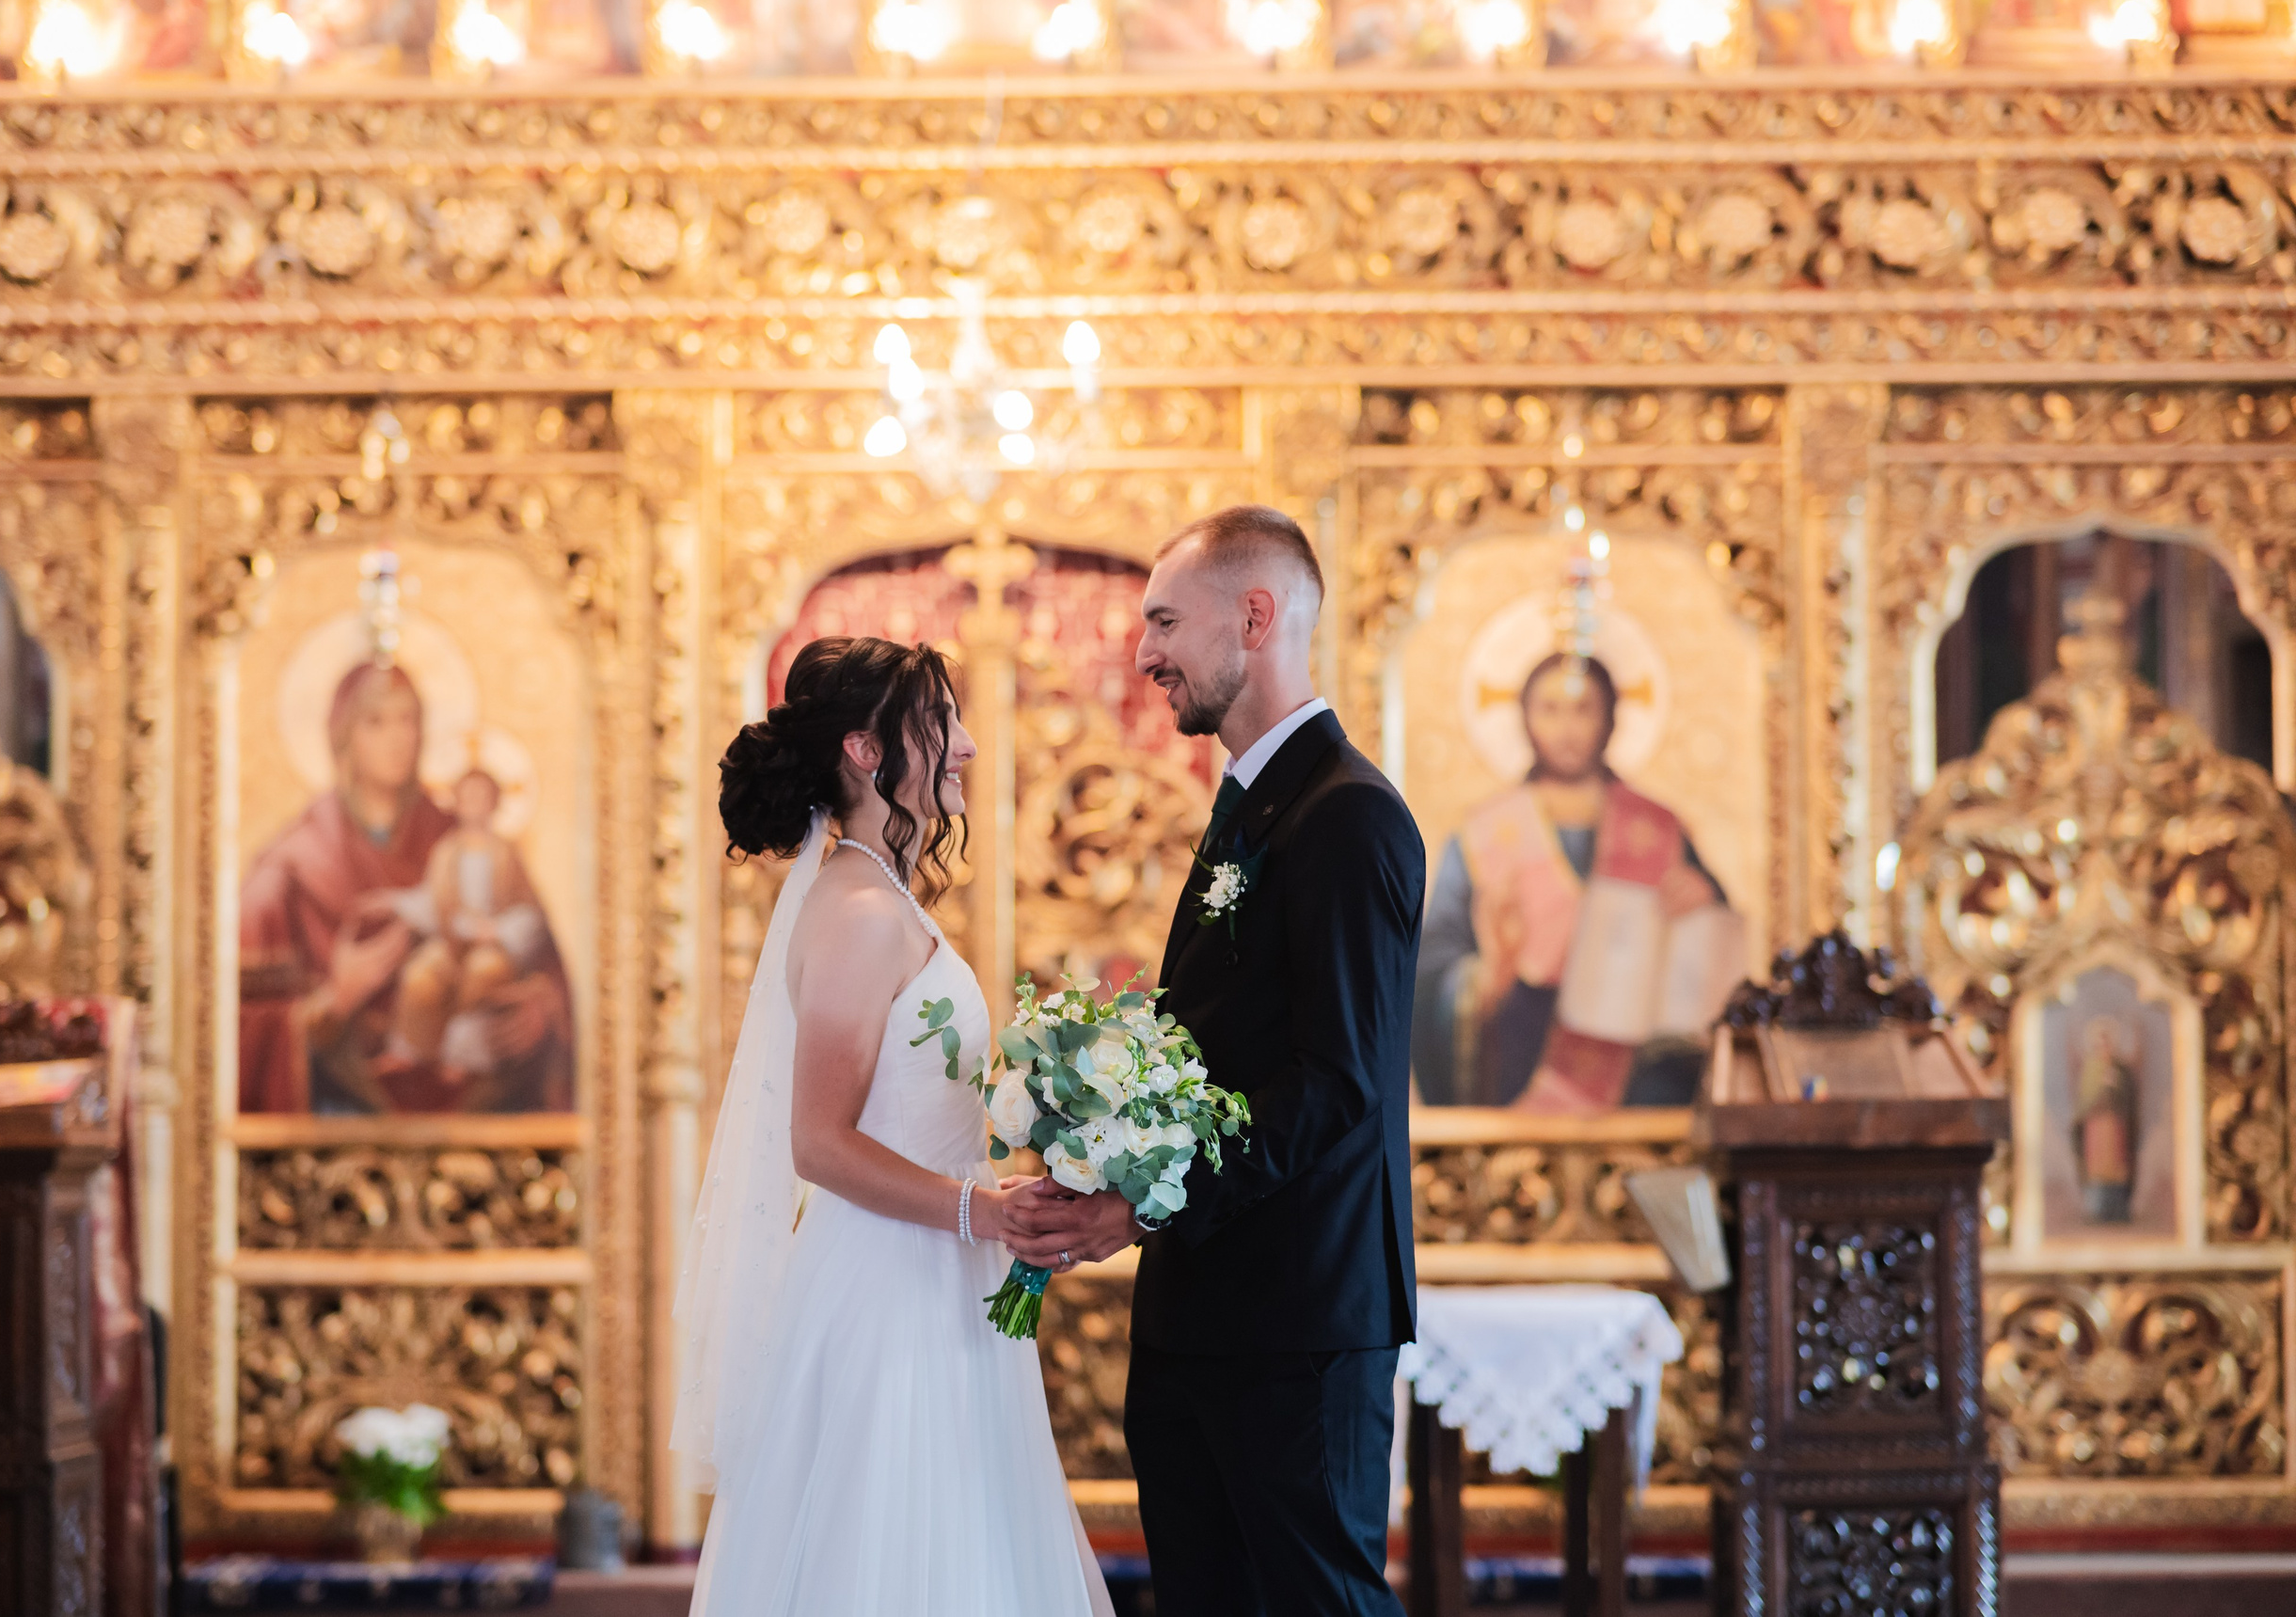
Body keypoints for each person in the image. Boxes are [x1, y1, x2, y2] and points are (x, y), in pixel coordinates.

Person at [1012, 507, 1425, 1617]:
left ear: (1254, 616)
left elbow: (1336, 1082)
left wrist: (1145, 1204)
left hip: (1299, 1317)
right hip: (1203, 1309)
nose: (1144, 653)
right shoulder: (1253, 805)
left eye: (1164, 621)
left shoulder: (1347, 814)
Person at [676, 636, 1112, 1617]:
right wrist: (980, 1212)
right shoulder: (861, 910)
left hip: (941, 1268)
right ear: (867, 750)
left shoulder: (882, 893)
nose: (966, 744)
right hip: (887, 1289)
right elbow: (820, 1142)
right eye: (940, 722)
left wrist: (1002, 1187)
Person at [236, 661, 572, 1115]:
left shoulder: (466, 842)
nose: (398, 738)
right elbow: (232, 1029)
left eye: (408, 720)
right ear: (343, 737)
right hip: (340, 1114)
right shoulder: (292, 865)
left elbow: (543, 962)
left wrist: (539, 1015)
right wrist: (333, 1003)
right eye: (375, 722)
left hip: (474, 1109)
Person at [1412, 651, 1741, 1110]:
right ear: (1525, 718)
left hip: (1637, 1074)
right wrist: (1487, 976)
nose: (1567, 728)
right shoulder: (1480, 833)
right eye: (1550, 710)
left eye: (1583, 710)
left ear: (1610, 720)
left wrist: (1704, 901)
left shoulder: (1657, 830)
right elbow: (1431, 971)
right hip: (1520, 1068)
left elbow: (1712, 960)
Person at [386, 768, 554, 1086]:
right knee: (421, 972)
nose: (474, 804)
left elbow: (530, 910)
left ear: (495, 803)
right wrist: (394, 903)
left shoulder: (508, 853)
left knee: (481, 972)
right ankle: (413, 1051)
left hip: (494, 944)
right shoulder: (446, 851)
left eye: (482, 796)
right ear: (457, 803)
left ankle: (463, 1056)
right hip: (453, 937)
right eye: (468, 797)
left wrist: (496, 930)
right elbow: (431, 900)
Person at [2072, 1014, 2139, 1225]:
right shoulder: (2090, 1068)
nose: (2104, 1046)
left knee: (2117, 1166)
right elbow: (2085, 1101)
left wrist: (2115, 1086)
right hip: (2096, 1126)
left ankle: (2118, 1209)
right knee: (2097, 1168)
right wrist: (2102, 1089)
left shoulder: (2120, 1068)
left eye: (2107, 1041)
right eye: (2100, 1042)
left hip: (2116, 1125)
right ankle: (2097, 1209)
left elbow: (2128, 1099)